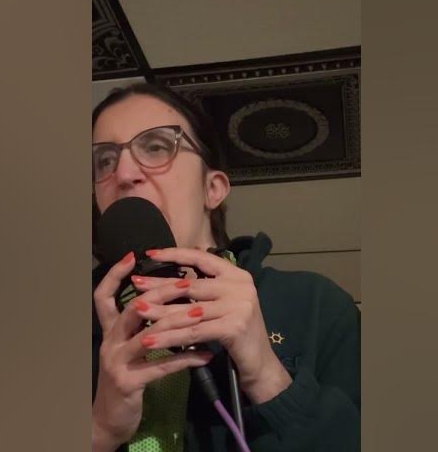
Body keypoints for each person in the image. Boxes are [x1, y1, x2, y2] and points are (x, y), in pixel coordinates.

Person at [91, 83, 360, 452]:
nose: (123, 174)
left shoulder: (318, 305)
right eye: (104, 160)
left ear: (213, 188)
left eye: (155, 147)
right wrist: (99, 431)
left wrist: (267, 377)